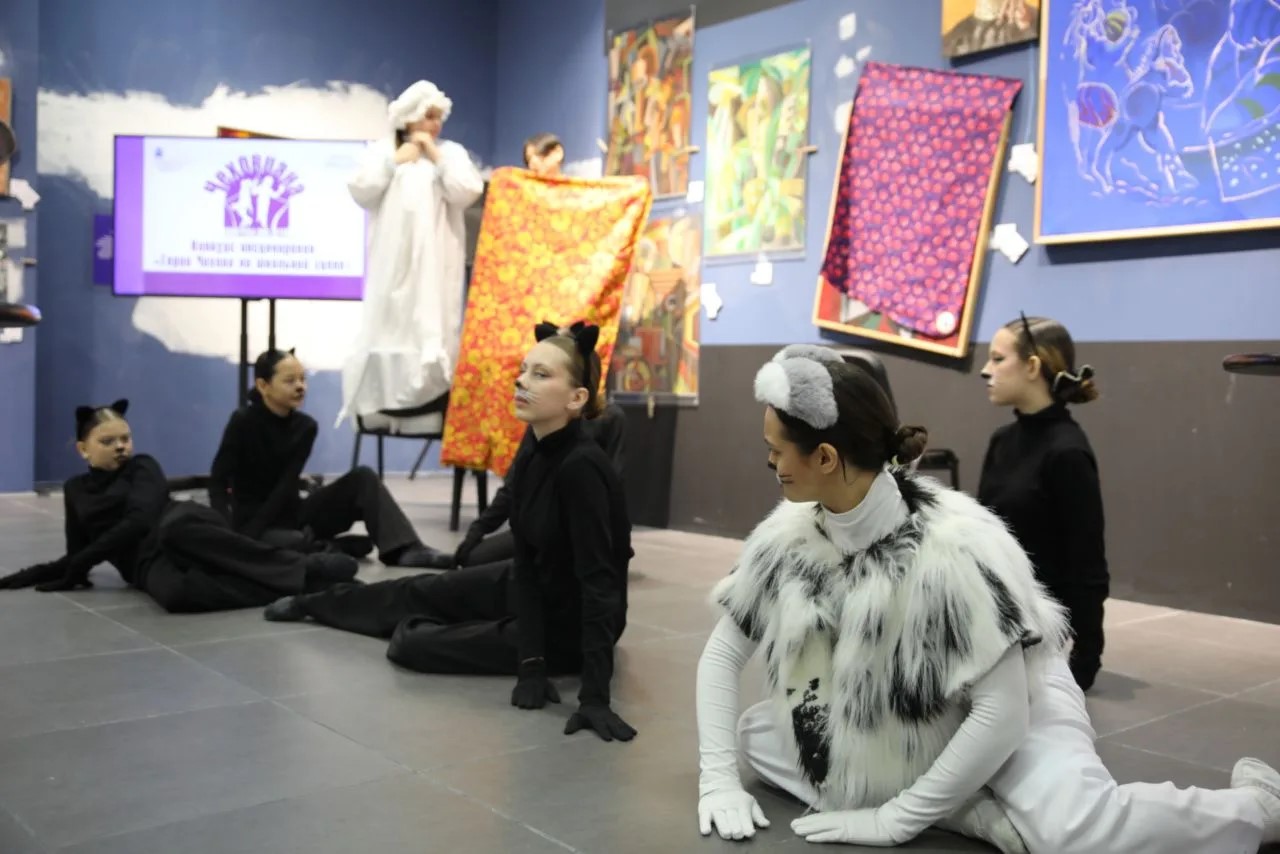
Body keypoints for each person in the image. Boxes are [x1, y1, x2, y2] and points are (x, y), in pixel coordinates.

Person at [694, 344, 1279, 851]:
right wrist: (717, 780)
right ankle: (968, 810)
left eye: (776, 449)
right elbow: (723, 655)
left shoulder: (953, 549)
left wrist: (895, 819)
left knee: (1074, 832)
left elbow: (1001, 714)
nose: (769, 460)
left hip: (1016, 697)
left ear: (825, 457)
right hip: (906, 707)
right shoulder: (787, 538)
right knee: (760, 736)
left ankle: (1260, 805)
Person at [262, 322, 637, 743]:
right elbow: (528, 563)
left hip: (572, 627)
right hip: (533, 590)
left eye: (540, 374)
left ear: (576, 398)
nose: (521, 381)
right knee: (422, 588)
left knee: (413, 645)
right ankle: (314, 602)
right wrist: (530, 662)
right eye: (523, 370)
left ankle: (448, 622)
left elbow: (600, 587)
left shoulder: (582, 469)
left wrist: (594, 698)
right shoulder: (534, 449)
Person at [0, 400, 357, 612]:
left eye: (125, 438)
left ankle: (303, 566)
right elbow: (76, 554)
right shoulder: (75, 490)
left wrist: (81, 562)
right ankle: (299, 586)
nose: (121, 446)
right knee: (176, 595)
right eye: (108, 441)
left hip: (181, 526)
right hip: (146, 562)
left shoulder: (143, 466)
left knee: (177, 530)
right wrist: (25, 577)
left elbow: (140, 521)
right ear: (83, 449)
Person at [210, 348, 452, 568]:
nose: (300, 386)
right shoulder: (242, 422)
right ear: (263, 385)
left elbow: (286, 485)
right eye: (290, 381)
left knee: (363, 478)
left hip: (293, 514)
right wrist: (232, 536)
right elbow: (218, 482)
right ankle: (325, 546)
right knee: (288, 542)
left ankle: (404, 549)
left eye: (303, 379)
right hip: (253, 520)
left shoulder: (305, 427)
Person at [340, 79, 484, 426]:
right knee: (391, 321)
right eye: (427, 116)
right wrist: (394, 163)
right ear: (408, 117)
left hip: (436, 265)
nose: (434, 124)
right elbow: (361, 190)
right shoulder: (382, 152)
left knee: (432, 319)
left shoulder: (451, 154)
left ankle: (432, 395)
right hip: (392, 264)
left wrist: (434, 155)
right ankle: (383, 400)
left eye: (438, 117)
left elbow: (467, 191)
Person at [978, 314, 1108, 692]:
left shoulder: (1067, 452)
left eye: (998, 359)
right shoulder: (1002, 440)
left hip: (1036, 629)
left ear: (1032, 367)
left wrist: (1087, 653)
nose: (986, 370)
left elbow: (1087, 562)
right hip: (993, 619)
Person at [451, 399, 626, 568]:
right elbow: (512, 487)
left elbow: (613, 486)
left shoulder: (609, 417)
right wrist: (478, 529)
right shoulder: (543, 419)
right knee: (473, 559)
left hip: (583, 531)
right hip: (539, 529)